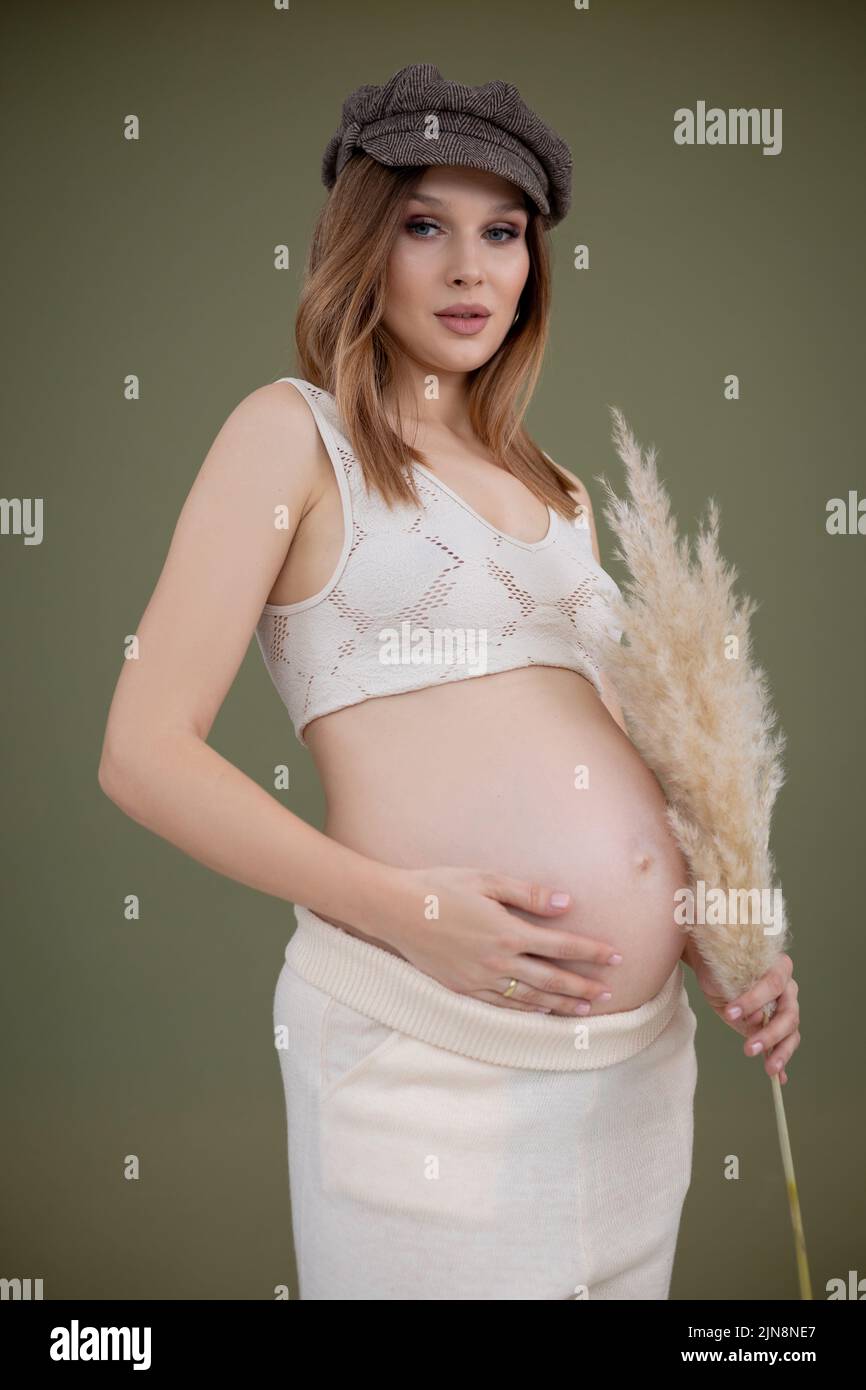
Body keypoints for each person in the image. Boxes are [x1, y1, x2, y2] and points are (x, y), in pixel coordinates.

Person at [98, 62, 801, 1300]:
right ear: (364, 243)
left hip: (636, 1079)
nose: (471, 268)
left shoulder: (555, 488)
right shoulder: (292, 435)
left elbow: (609, 758)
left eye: (503, 231)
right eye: (426, 225)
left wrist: (711, 925)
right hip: (431, 1061)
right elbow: (142, 752)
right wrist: (415, 913)